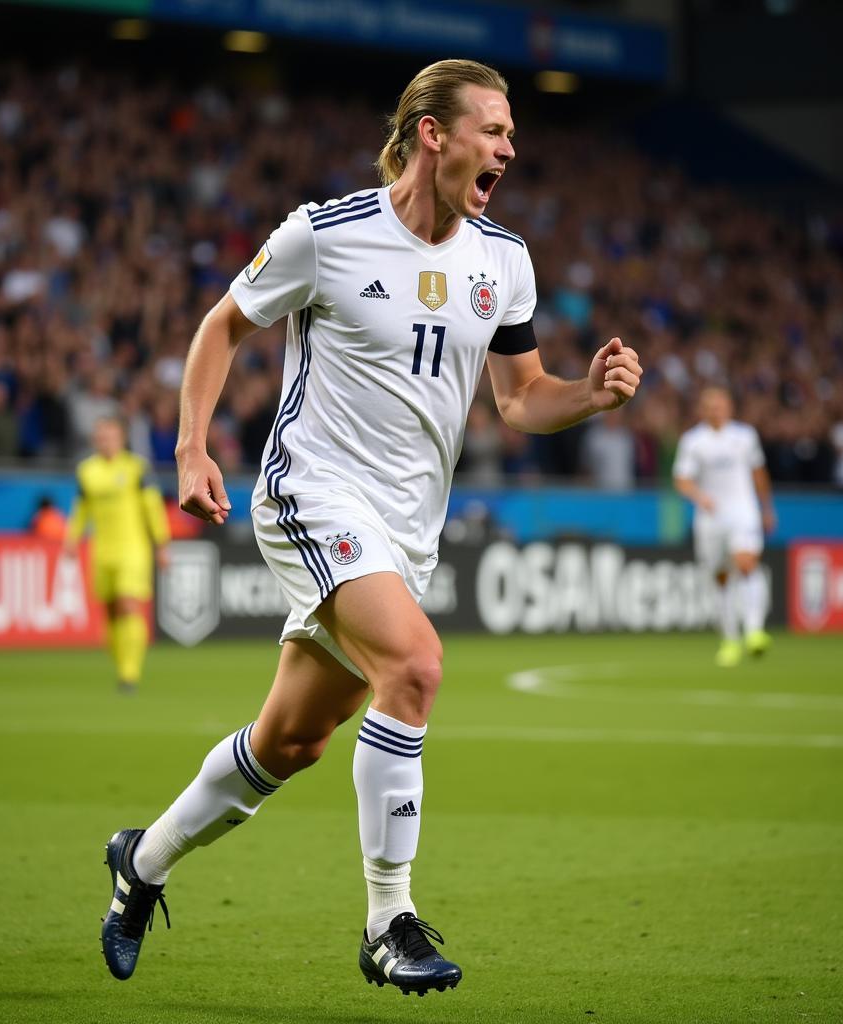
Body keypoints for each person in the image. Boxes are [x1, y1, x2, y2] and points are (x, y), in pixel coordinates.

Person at [99, 59, 643, 996]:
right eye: (495, 129)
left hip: (406, 531)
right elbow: (221, 327)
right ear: (434, 134)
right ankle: (389, 918)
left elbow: (519, 400)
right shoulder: (327, 233)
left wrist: (588, 397)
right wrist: (190, 449)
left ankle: (141, 861)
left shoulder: (502, 259)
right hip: (312, 491)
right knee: (417, 666)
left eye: (513, 133)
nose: (512, 147)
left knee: (292, 742)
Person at [64, 415, 170, 692]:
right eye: (100, 437)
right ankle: (122, 667)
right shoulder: (87, 471)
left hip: (132, 549)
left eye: (109, 436)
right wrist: (72, 538)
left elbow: (152, 507)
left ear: (121, 439)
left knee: (128, 605)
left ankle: (129, 674)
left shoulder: (137, 469)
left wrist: (162, 544)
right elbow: (81, 508)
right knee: (110, 613)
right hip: (102, 551)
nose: (105, 441)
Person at [673, 387, 776, 667]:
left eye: (719, 405)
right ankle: (730, 639)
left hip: (743, 512)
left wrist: (767, 508)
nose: (714, 410)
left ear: (729, 407)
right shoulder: (693, 441)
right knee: (719, 578)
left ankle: (754, 632)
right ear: (702, 410)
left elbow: (758, 473)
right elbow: (681, 479)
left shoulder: (745, 437)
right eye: (709, 406)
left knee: (746, 564)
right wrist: (699, 496)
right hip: (710, 519)